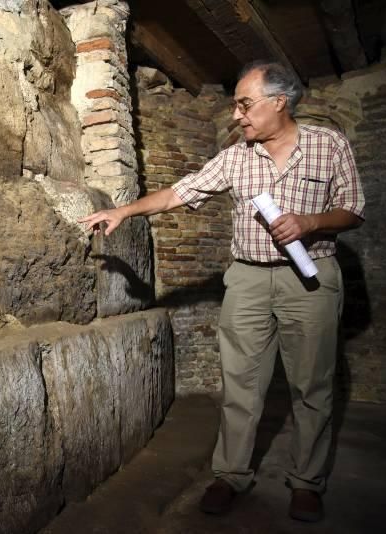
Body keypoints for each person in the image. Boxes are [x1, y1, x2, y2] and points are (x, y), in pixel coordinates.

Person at [79, 60, 365, 523]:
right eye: (235, 106)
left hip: (311, 278)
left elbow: (353, 209)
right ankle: (231, 475)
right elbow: (180, 191)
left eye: (245, 105)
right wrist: (125, 212)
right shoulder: (236, 157)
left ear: (279, 102)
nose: (237, 116)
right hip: (248, 279)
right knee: (240, 384)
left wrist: (311, 222)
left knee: (312, 385)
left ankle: (307, 482)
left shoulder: (328, 144)